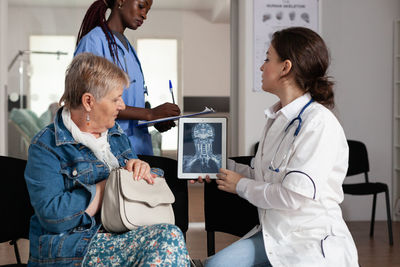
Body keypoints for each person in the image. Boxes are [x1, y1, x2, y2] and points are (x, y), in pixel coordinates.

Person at [196, 27, 359, 267]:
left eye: (267, 59)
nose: (261, 67)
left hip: (308, 240)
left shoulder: (318, 123)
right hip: (274, 234)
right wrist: (216, 164)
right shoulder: (278, 119)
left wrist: (239, 185)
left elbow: (292, 196)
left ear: (286, 67)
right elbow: (264, 177)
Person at [24, 53, 190, 266]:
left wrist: (141, 169)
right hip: (74, 248)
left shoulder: (115, 135)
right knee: (169, 240)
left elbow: (135, 188)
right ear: (89, 101)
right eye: (115, 99)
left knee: (169, 238)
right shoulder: (46, 146)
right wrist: (107, 187)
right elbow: (53, 217)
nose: (122, 105)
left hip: (123, 232)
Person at [75, 0, 180, 155]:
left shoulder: (128, 48)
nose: (144, 15)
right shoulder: (93, 42)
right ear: (121, 1)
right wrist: (149, 114)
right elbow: (91, 102)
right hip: (110, 151)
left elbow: (129, 102)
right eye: (142, 6)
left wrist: (154, 119)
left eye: (147, 11)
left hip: (139, 149)